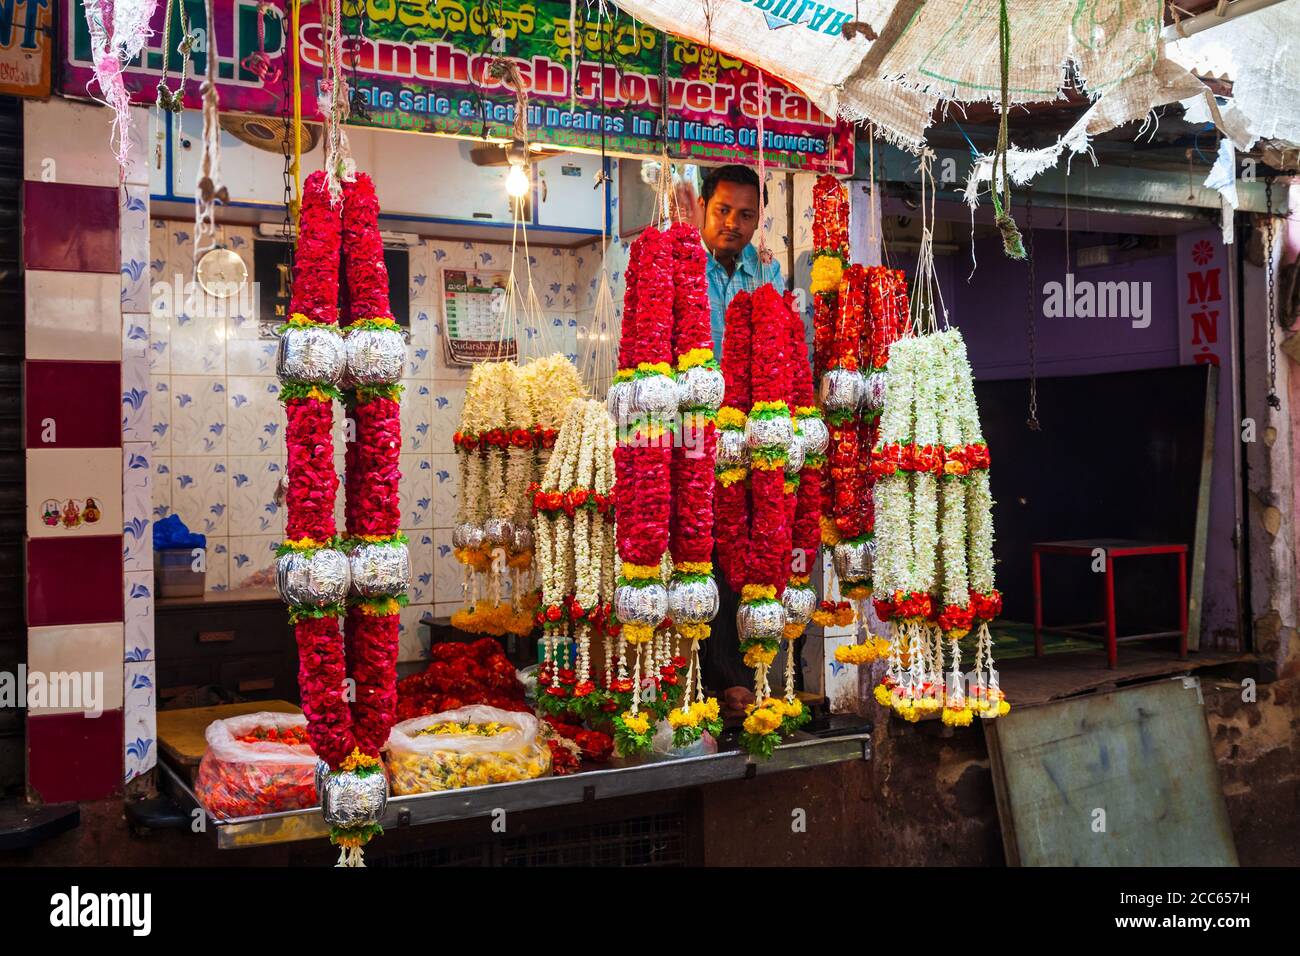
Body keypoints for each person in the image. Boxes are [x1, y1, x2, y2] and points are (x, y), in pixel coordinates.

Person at [696, 164, 786, 725]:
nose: (732, 223)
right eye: (723, 210)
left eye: (746, 215)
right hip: (694, 435)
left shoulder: (766, 276)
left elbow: (781, 350)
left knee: (755, 546)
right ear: (703, 207)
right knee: (701, 549)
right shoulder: (684, 270)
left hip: (757, 436)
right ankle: (710, 681)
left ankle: (751, 676)